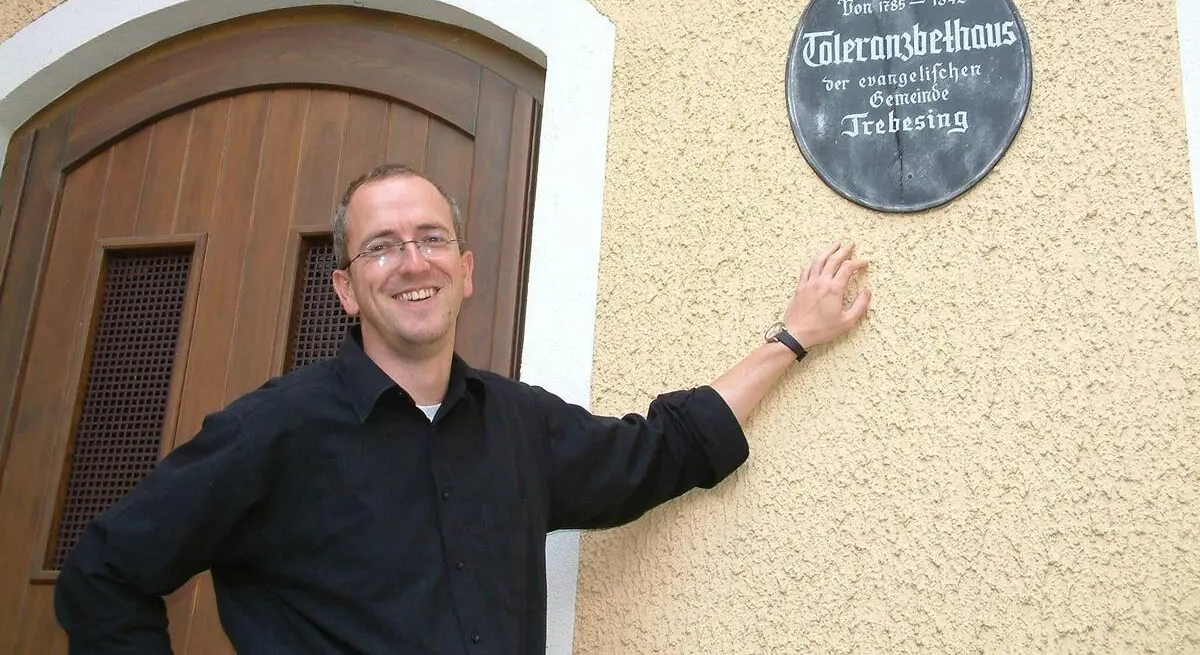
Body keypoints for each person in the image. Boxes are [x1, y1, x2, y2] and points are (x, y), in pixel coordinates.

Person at [54, 164, 872, 654]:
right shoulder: (273, 431)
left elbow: (665, 449)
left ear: (466, 269)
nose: (413, 262)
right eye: (381, 246)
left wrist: (793, 336)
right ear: (346, 287)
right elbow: (104, 572)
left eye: (431, 237)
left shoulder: (520, 425)